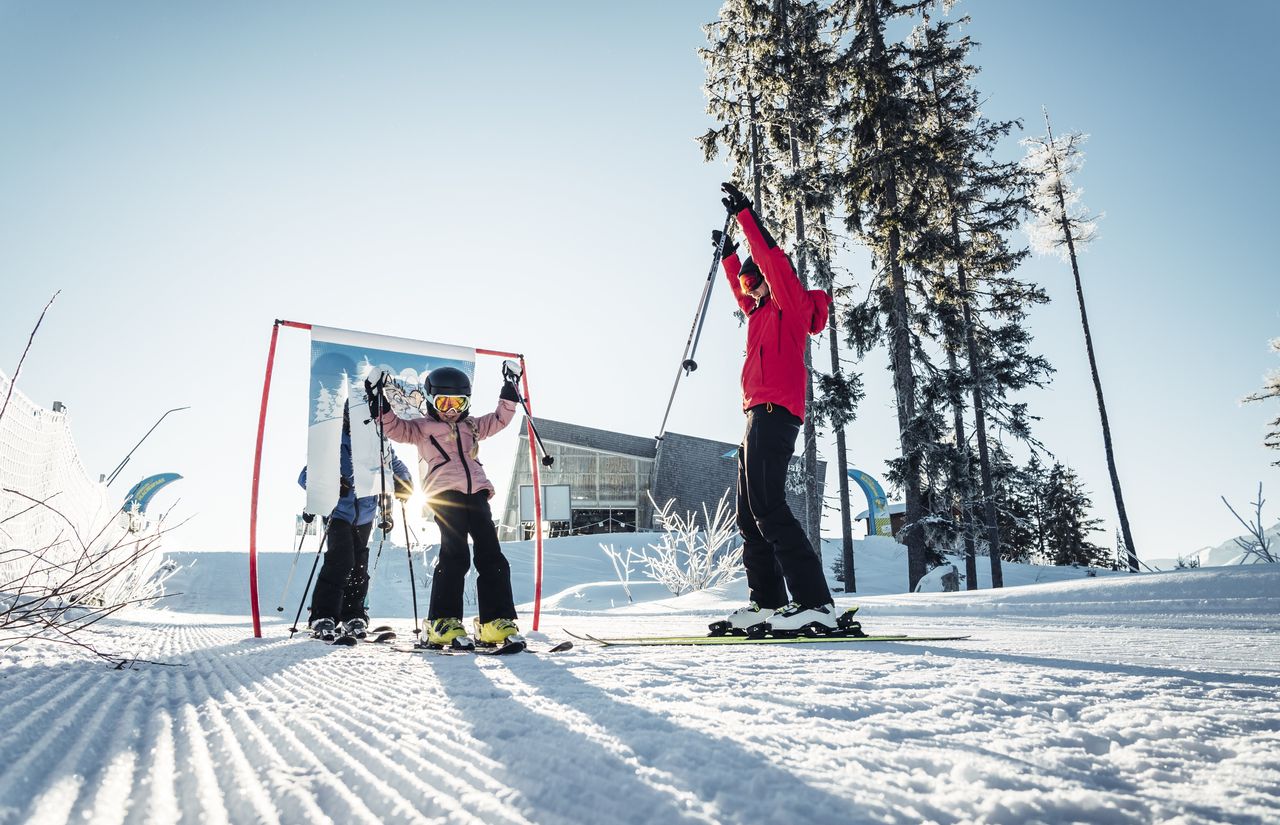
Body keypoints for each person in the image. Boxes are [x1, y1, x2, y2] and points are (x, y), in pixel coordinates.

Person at [714, 180, 839, 636]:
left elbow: (774, 262)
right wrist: (730, 257)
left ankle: (816, 602)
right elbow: (741, 289)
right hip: (754, 415)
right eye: (747, 283)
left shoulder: (790, 304)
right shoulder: (761, 311)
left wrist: (747, 218)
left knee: (769, 505)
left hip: (776, 412)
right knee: (750, 512)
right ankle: (767, 602)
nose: (750, 289)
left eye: (754, 280)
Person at [367, 364, 521, 650]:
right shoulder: (422, 428)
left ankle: (494, 621)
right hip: (444, 495)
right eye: (444, 403)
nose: (451, 409)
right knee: (456, 554)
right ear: (429, 400)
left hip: (477, 494)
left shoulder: (472, 426)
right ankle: (442, 621)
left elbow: (500, 419)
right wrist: (379, 404)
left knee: (492, 556)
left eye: (458, 403)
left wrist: (509, 390)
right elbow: (393, 429)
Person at [299, 404, 412, 642]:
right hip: (338, 511)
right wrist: (330, 483)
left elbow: (395, 466)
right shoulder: (332, 442)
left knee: (359, 563)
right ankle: (323, 615)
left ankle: (353, 614)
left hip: (366, 513)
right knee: (341, 560)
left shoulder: (379, 442)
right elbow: (305, 476)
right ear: (347, 418)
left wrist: (404, 482)